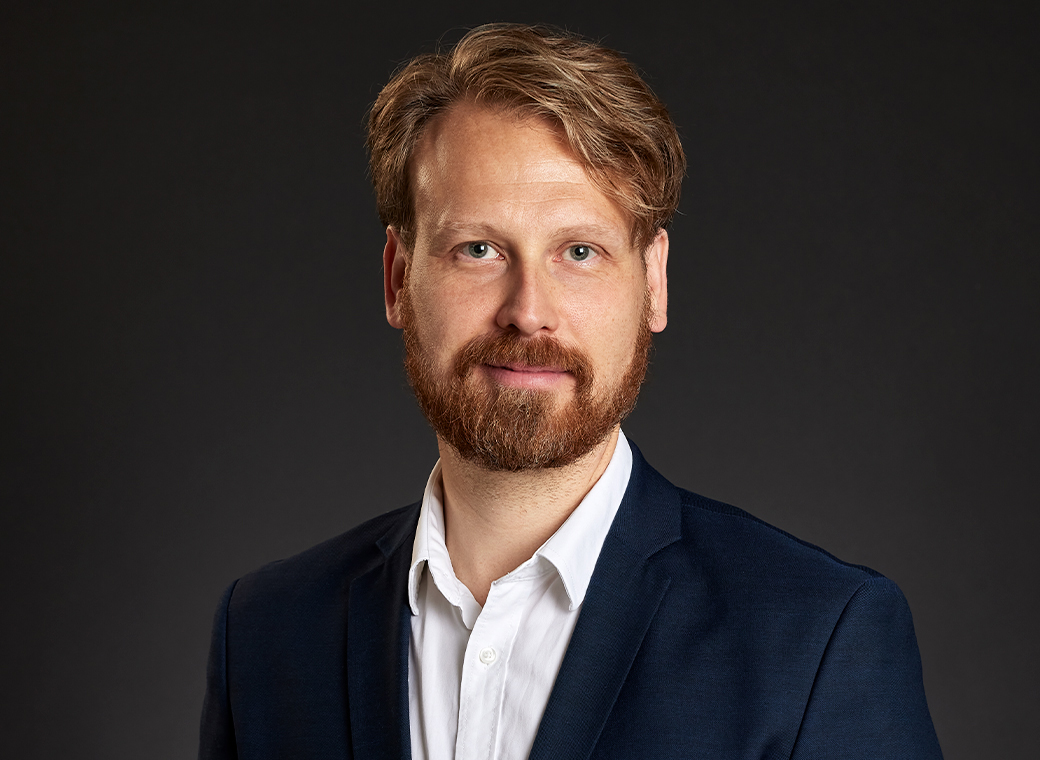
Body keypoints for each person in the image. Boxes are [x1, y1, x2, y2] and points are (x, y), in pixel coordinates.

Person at [199, 23, 943, 760]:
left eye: (580, 251)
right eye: (478, 249)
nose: (528, 311)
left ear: (653, 282)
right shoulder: (265, 634)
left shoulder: (818, 637)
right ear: (398, 277)